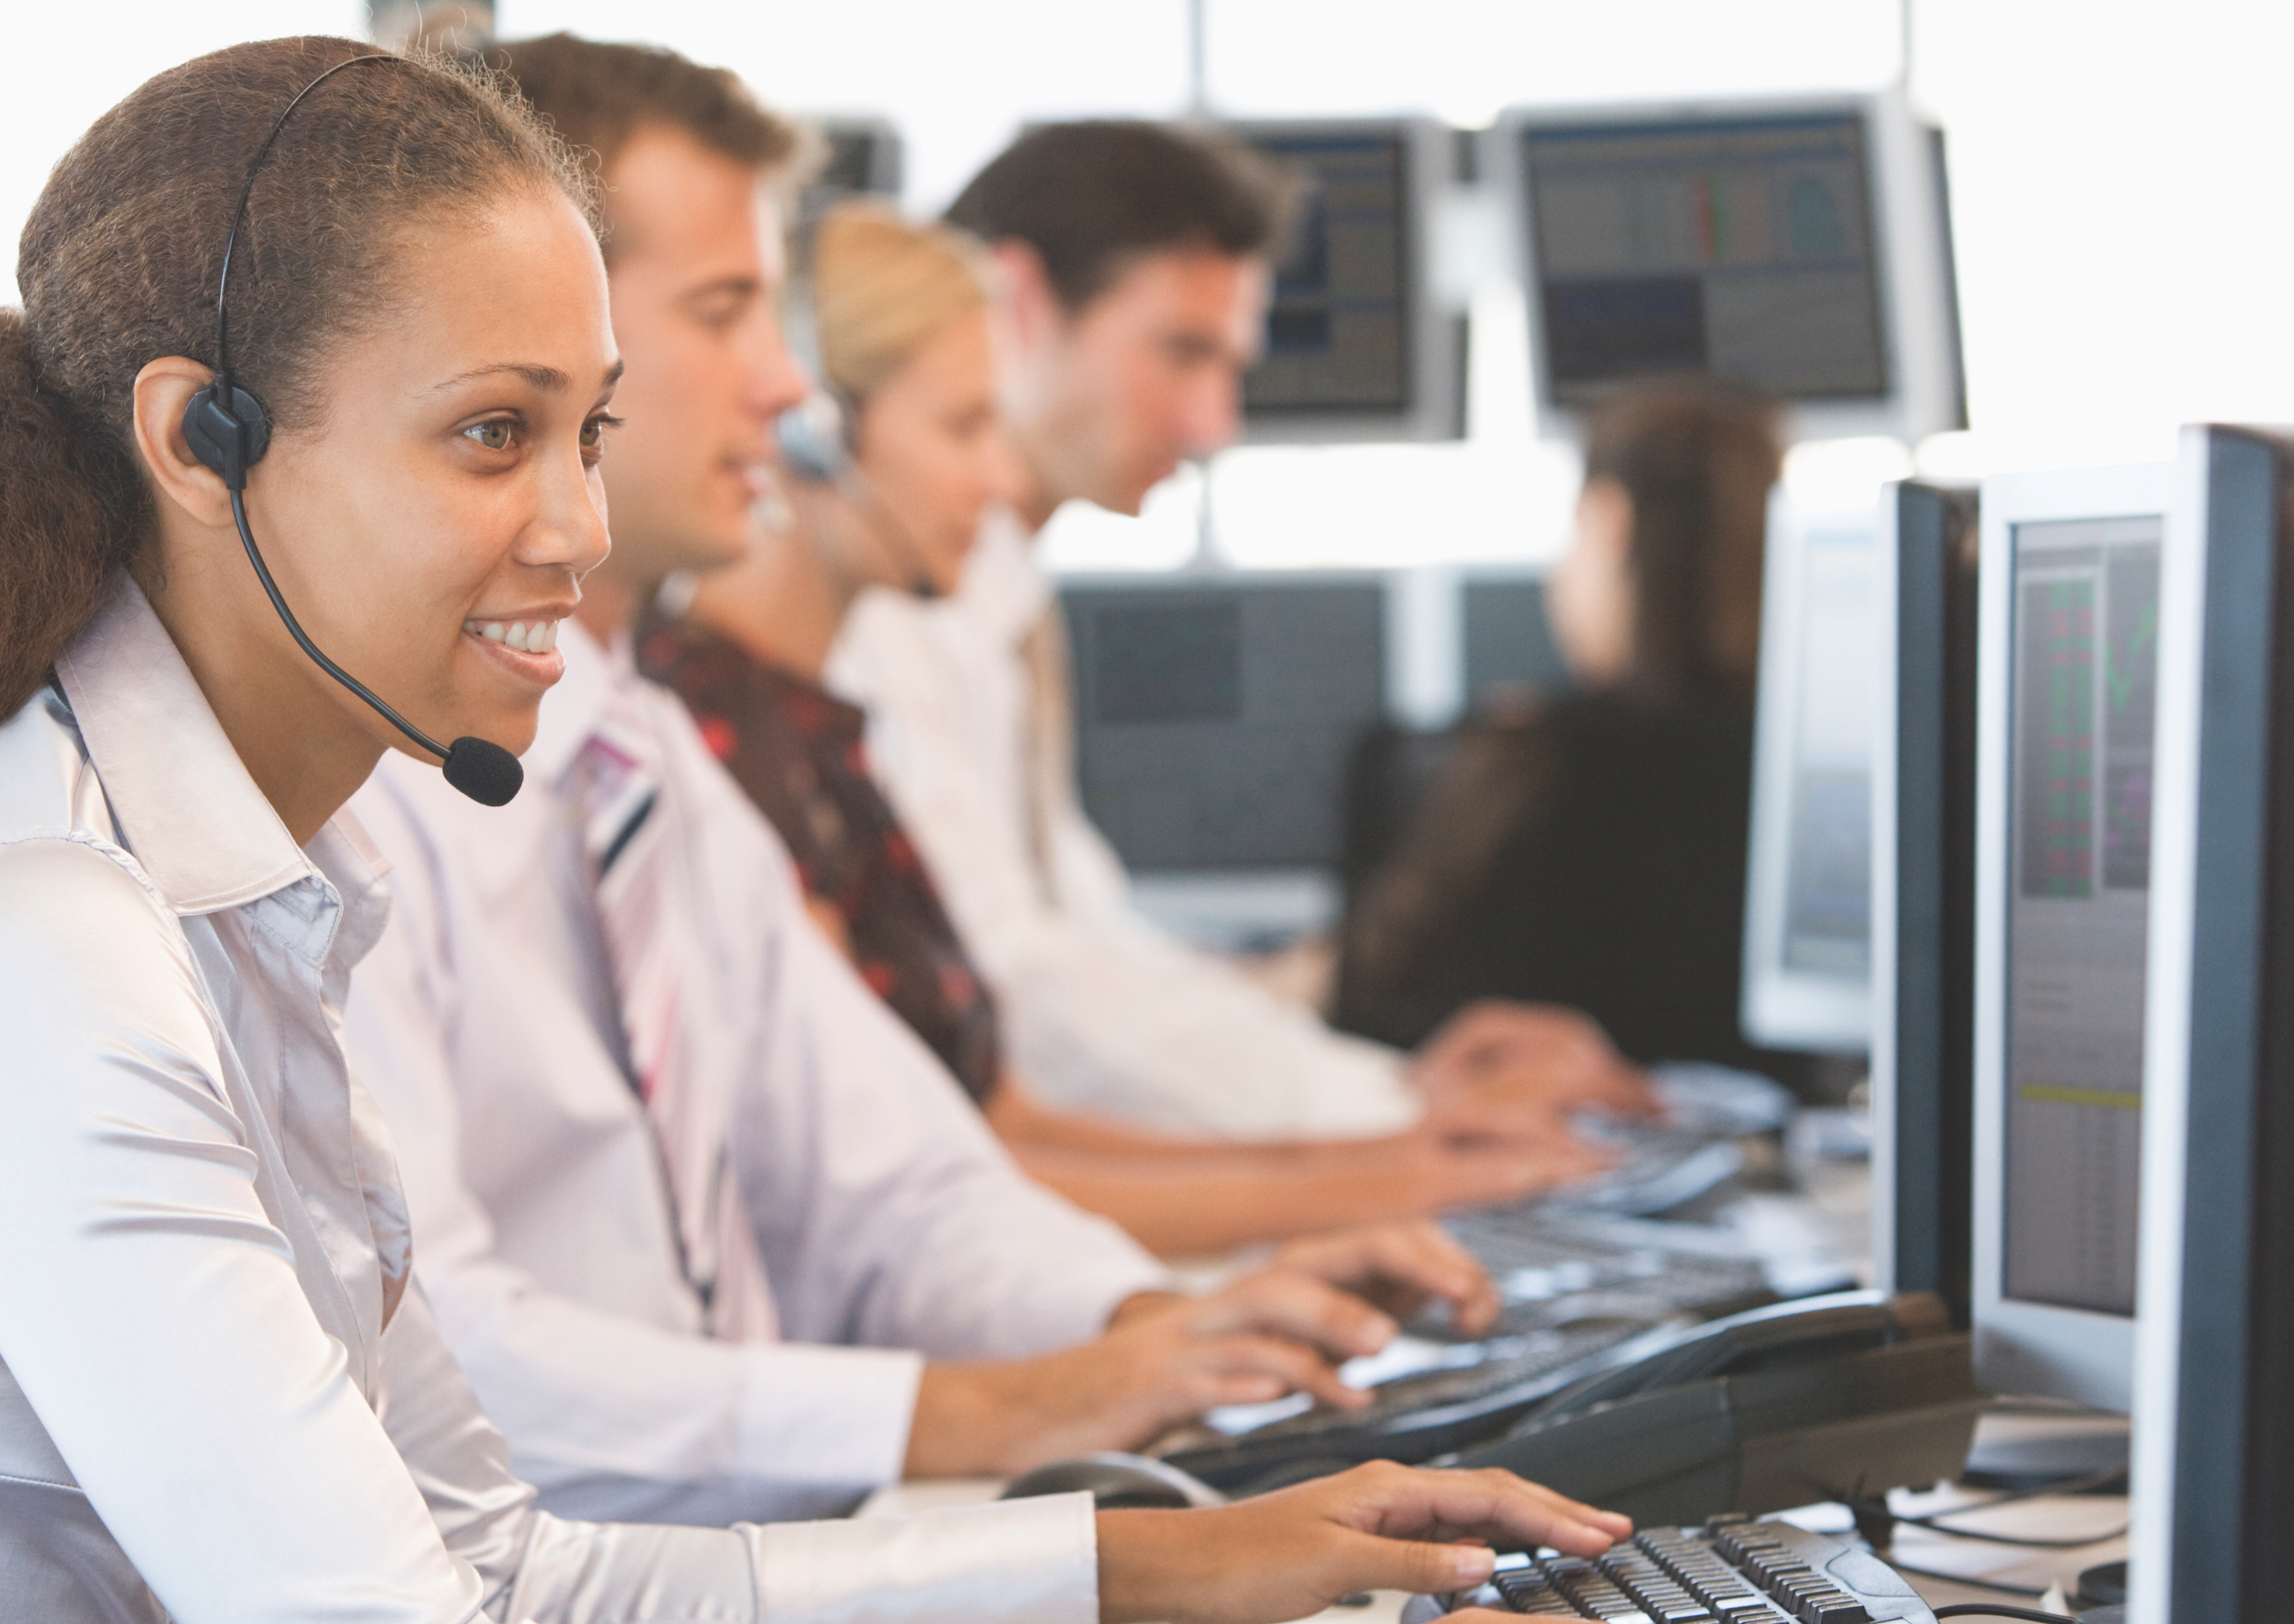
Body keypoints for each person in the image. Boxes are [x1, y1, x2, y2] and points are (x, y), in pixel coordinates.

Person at [0, 42, 1742, 1624]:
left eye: (589, 429)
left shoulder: (234, 890)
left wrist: (1162, 1564)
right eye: (490, 436)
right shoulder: (27, 940)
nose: (575, 522)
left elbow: (504, 1563)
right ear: (202, 438)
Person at [337, 37, 1508, 1529]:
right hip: (594, 1582)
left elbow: (901, 1185)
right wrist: (987, 1410)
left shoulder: (640, 761)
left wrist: (1151, 1325)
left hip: (739, 1556)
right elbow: (449, 1362)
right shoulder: (357, 793)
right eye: (724, 311)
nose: (785, 382)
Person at [669, 202, 1605, 1255]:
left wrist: (1396, 1150)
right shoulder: (734, 742)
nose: (1003, 478)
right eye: (965, 427)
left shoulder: (823, 732)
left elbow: (999, 1106)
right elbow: (943, 1153)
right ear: (810, 434)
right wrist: (1386, 1155)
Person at [827, 122, 1651, 1144]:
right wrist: (1402, 1113)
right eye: (1181, 352)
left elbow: (1089, 949)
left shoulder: (1000, 601)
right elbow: (1023, 998)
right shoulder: (886, 616)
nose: (1213, 423)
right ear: (1018, 302)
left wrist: (1387, 1075)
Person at [1331, 377, 1795, 1072]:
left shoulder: (1522, 765)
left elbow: (1375, 1023)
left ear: (1610, 524)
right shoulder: (1824, 770)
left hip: (1522, 1131)